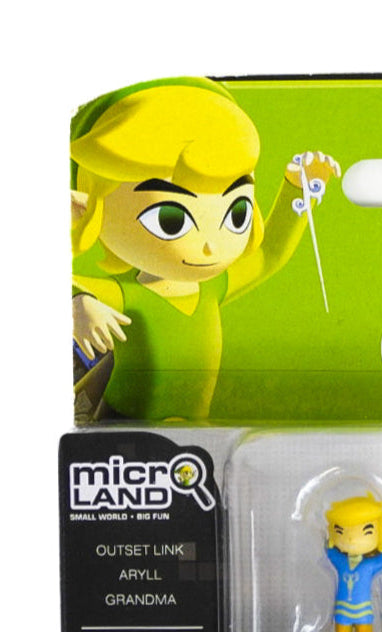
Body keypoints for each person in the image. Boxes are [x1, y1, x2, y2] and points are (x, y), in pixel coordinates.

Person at [70, 77, 340, 420]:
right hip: (124, 428)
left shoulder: (212, 287)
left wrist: (299, 190)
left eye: (237, 213)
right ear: (86, 207)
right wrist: (79, 304)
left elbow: (268, 255)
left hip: (196, 429)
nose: (211, 246)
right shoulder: (131, 295)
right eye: (170, 219)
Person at [324, 495, 382, 632]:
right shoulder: (341, 562)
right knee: (342, 623)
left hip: (363, 606)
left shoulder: (369, 565)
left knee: (364, 623)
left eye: (367, 531)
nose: (351, 538)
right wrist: (326, 540)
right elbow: (330, 552)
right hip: (343, 606)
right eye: (340, 531)